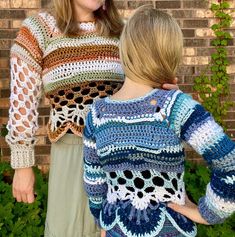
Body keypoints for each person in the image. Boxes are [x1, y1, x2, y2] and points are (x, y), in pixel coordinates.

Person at [6, 1, 177, 236]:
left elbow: (145, 85)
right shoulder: (39, 30)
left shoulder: (124, 32)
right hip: (73, 156)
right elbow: (22, 101)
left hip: (124, 156)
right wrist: (23, 164)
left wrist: (162, 91)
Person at [83, 5, 235, 237]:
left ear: (125, 50)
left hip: (116, 230)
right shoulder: (176, 106)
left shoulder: (97, 114)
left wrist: (103, 220)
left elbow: (94, 183)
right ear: (169, 54)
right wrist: (208, 213)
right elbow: (229, 162)